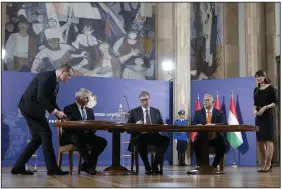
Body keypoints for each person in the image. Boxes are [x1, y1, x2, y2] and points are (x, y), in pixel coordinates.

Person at [11, 64, 74, 175]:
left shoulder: (55, 82)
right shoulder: (46, 77)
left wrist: (60, 114)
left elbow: (52, 102)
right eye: (68, 76)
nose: (69, 79)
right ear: (62, 71)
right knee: (46, 135)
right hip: (31, 108)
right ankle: (52, 169)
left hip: (32, 109)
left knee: (37, 138)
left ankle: (18, 167)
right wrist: (56, 112)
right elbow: (41, 97)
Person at [61, 88, 107, 175]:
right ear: (79, 98)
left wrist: (93, 129)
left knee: (102, 142)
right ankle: (90, 166)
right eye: (86, 97)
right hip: (71, 135)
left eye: (89, 98)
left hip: (86, 135)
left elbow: (92, 125)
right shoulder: (69, 108)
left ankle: (86, 165)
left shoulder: (90, 111)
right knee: (78, 138)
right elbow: (66, 126)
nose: (89, 100)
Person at [127, 91, 169, 175]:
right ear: (140, 101)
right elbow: (128, 128)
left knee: (166, 140)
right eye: (142, 100)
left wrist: (164, 125)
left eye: (146, 99)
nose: (144, 102)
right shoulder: (134, 111)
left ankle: (154, 165)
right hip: (140, 136)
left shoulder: (156, 111)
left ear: (149, 99)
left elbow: (161, 125)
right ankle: (147, 167)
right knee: (142, 139)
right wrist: (135, 125)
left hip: (153, 135)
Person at [188, 94, 229, 174]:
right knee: (195, 143)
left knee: (223, 145)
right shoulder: (198, 113)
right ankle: (201, 165)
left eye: (207, 100)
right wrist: (198, 126)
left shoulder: (219, 113)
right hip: (202, 137)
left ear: (213, 102)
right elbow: (193, 125)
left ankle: (214, 166)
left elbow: (224, 124)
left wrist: (213, 125)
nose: (205, 102)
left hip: (216, 137)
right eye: (204, 100)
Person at [254, 70, 278, 172]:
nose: (258, 78)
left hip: (268, 116)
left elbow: (276, 102)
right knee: (260, 141)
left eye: (259, 76)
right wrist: (255, 110)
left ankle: (269, 164)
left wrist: (265, 107)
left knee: (268, 140)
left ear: (264, 76)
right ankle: (264, 162)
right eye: (256, 77)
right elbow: (255, 103)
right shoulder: (256, 89)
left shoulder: (271, 88)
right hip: (259, 117)